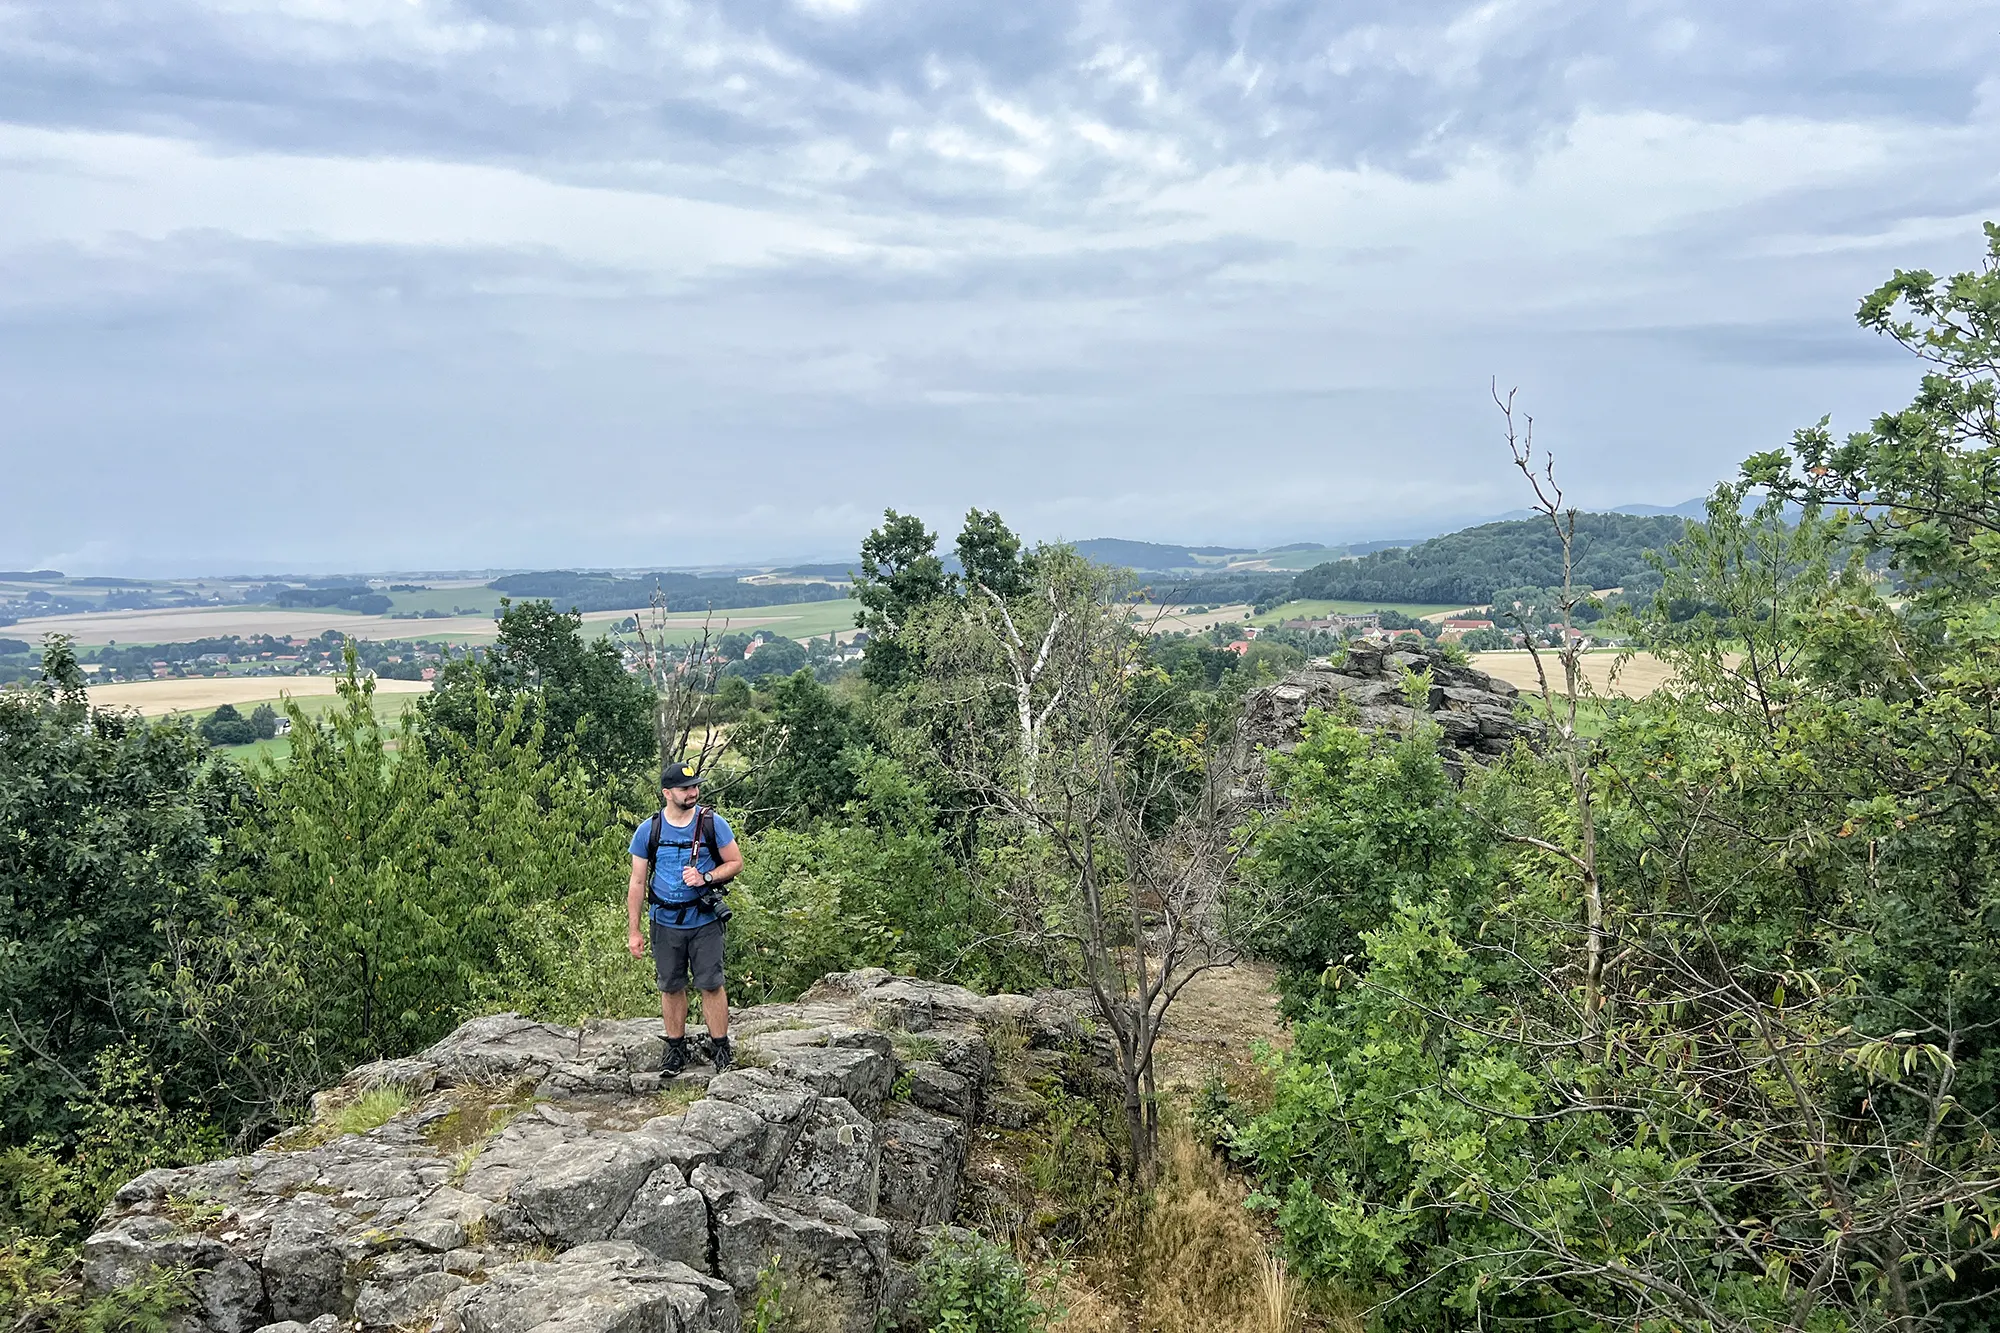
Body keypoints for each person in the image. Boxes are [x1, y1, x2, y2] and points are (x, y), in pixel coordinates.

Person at [626, 762, 744, 1073]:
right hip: (664, 921)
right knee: (670, 985)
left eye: (695, 787)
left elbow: (735, 863)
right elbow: (637, 882)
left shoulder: (712, 823)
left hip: (704, 919)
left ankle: (721, 1049)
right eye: (685, 788)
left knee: (711, 984)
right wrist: (634, 931)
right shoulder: (648, 830)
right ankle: (675, 1050)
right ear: (667, 793)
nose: (693, 793)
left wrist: (706, 877)